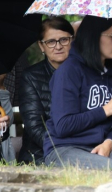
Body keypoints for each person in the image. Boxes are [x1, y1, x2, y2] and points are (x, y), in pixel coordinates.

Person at [43, 16, 112, 170]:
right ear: (94, 36)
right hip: (66, 148)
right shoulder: (69, 71)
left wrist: (109, 143)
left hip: (102, 146)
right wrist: (106, 110)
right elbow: (63, 125)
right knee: (108, 168)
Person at [18, 17, 74, 165]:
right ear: (41, 46)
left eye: (64, 40)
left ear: (72, 41)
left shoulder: (83, 74)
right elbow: (35, 126)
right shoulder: (30, 77)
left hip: (79, 150)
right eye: (50, 42)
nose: (58, 46)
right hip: (39, 155)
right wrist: (65, 147)